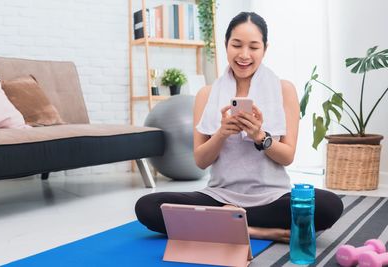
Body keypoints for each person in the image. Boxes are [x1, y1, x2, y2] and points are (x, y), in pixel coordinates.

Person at [135, 11, 343, 243]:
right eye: (236, 45)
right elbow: (201, 161)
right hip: (219, 196)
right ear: (226, 45)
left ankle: (230, 223)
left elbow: (287, 156)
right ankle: (258, 230)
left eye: (254, 47)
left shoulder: (284, 89)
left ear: (265, 48)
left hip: (271, 197)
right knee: (147, 206)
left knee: (329, 205)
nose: (244, 55)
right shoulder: (207, 94)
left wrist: (260, 136)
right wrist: (222, 134)